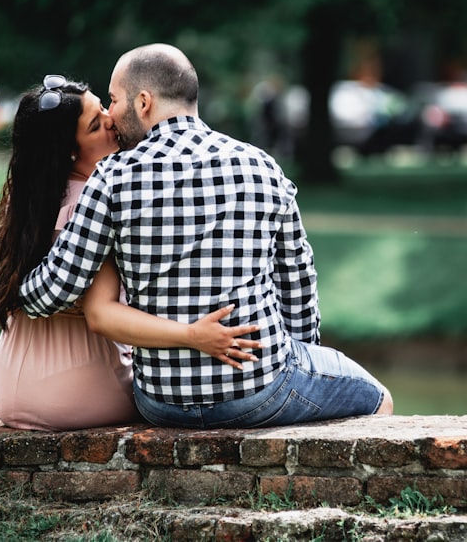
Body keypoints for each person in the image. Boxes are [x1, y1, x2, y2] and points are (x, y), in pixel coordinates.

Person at [20, 44, 393, 428]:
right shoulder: (261, 166)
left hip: (160, 401)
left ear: (143, 102)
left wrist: (13, 287)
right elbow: (297, 286)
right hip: (259, 390)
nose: (110, 115)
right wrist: (298, 359)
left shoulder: (112, 176)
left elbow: (50, 294)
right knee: (379, 398)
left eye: (113, 100)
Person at [0, 74, 262, 431]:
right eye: (96, 125)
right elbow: (102, 314)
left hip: (10, 392)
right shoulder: (95, 203)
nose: (112, 122)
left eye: (104, 108)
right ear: (70, 150)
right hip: (79, 392)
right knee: (173, 395)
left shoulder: (22, 204)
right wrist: (193, 335)